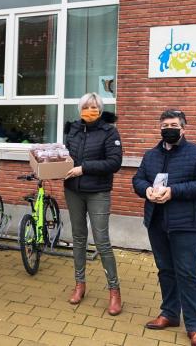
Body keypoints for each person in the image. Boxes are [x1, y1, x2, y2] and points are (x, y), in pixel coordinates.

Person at [132, 109, 196, 346]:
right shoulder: (150, 155)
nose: (168, 128)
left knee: (187, 273)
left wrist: (173, 191)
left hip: (185, 224)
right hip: (157, 223)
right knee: (165, 270)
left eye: (173, 124)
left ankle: (195, 327)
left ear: (183, 128)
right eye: (164, 125)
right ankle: (169, 314)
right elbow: (138, 179)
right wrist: (146, 190)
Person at [63, 92, 123, 316]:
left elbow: (114, 162)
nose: (90, 110)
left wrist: (84, 168)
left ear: (100, 109)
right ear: (80, 109)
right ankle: (80, 285)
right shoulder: (73, 129)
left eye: (94, 107)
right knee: (78, 238)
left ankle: (114, 291)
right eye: (86, 107)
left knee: (102, 241)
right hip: (73, 191)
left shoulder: (110, 131)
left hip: (98, 192)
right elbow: (65, 156)